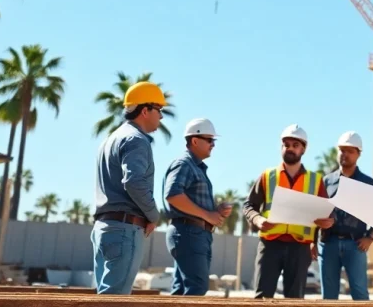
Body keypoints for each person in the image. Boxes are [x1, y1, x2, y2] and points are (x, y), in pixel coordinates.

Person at [242, 124, 334, 299]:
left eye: (295, 145)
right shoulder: (267, 176)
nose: (290, 148)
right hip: (270, 245)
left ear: (303, 149)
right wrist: (258, 220)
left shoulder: (315, 180)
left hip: (300, 248)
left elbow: (326, 214)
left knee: (294, 300)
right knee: (262, 297)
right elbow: (248, 206)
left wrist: (327, 224)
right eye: (286, 144)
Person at [91, 81, 165, 294]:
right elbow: (133, 182)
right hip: (124, 229)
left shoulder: (110, 139)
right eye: (159, 110)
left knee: (105, 297)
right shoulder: (136, 140)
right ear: (145, 110)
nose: (161, 116)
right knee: (115, 300)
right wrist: (153, 215)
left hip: (103, 229)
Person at [162, 118, 233, 295]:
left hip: (191, 234)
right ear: (194, 141)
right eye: (210, 140)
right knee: (196, 289)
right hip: (188, 233)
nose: (213, 145)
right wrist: (208, 216)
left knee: (181, 291)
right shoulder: (184, 164)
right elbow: (173, 195)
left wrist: (215, 211)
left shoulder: (195, 167)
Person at [317, 131, 373, 300]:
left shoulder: (369, 184)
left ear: (359, 154)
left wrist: (370, 238)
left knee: (360, 294)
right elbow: (315, 210)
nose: (345, 154)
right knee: (328, 296)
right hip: (328, 244)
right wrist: (318, 224)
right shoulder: (326, 182)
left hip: (356, 244)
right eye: (342, 150)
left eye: (350, 151)